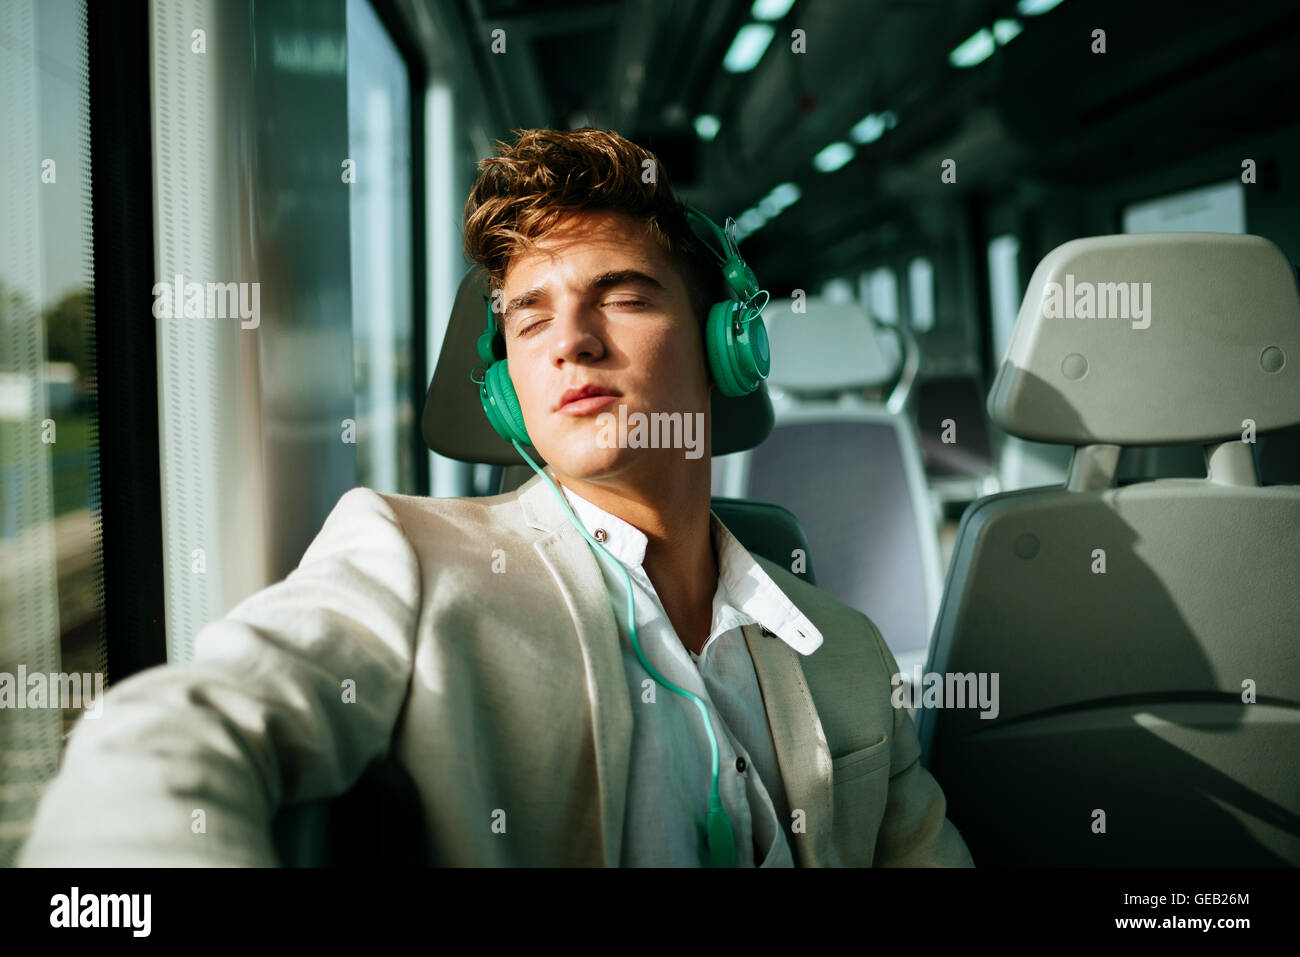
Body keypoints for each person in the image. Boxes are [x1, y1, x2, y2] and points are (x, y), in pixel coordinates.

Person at [19, 127, 973, 867]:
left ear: (729, 341)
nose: (573, 342)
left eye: (625, 295)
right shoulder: (408, 557)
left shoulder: (844, 649)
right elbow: (167, 737)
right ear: (504, 388)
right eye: (532, 316)